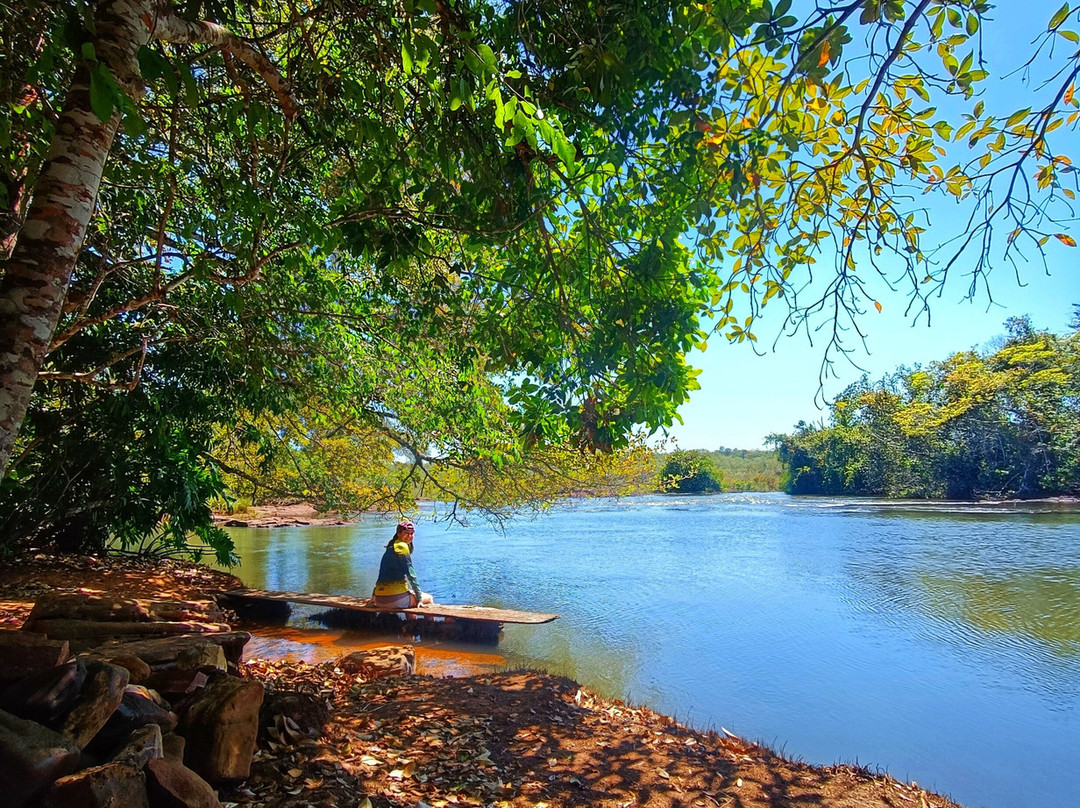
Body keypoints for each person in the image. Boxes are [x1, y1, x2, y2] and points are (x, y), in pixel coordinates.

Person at [371, 519, 433, 608]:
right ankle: (427, 622)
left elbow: (382, 575)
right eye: (406, 533)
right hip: (395, 600)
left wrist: (373, 596)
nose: (410, 536)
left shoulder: (390, 548)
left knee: (409, 595)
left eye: (412, 533)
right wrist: (419, 598)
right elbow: (411, 575)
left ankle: (410, 621)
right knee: (429, 598)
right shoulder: (402, 547)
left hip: (379, 599)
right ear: (398, 533)